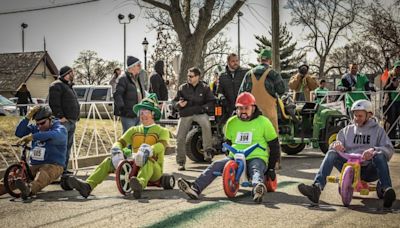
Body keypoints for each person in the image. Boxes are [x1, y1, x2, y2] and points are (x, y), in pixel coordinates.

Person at [177, 92, 280, 203]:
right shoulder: (232, 122)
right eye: (240, 108)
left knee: (256, 169)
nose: (243, 111)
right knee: (215, 165)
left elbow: (274, 146)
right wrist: (227, 154)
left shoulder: (263, 122)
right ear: (236, 109)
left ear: (253, 108)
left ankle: (257, 188)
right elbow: (229, 142)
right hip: (235, 156)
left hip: (256, 156)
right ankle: (195, 188)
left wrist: (271, 168)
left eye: (246, 108)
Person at [66, 94, 170, 199]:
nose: (143, 115)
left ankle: (140, 185)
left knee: (149, 161)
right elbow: (121, 142)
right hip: (135, 165)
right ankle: (88, 186)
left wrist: (150, 150)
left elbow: (161, 145)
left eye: (146, 112)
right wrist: (117, 149)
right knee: (108, 161)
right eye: (141, 112)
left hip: (154, 170)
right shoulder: (134, 130)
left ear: (153, 114)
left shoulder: (162, 131)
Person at [298, 99, 396, 208]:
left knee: (380, 155)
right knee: (331, 153)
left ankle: (387, 189)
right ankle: (316, 188)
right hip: (349, 166)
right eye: (355, 116)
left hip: (369, 169)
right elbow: (335, 144)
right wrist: (336, 145)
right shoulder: (346, 130)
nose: (357, 119)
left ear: (369, 115)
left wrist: (374, 150)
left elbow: (388, 149)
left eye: (360, 116)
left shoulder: (378, 130)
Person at [0, 105, 67, 199]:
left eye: (42, 123)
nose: (39, 127)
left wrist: (33, 137)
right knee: (12, 178)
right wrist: (27, 117)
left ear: (50, 119)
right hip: (34, 165)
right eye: (37, 124)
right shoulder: (36, 128)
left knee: (43, 173)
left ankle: (29, 189)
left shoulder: (60, 129)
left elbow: (55, 135)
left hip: (54, 165)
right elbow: (19, 133)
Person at [173, 67, 216, 170]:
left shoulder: (205, 88)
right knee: (180, 136)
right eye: (188, 76)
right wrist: (179, 104)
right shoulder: (182, 88)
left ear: (197, 77)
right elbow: (174, 103)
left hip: (199, 113)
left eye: (191, 76)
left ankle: (207, 152)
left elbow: (211, 101)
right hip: (186, 114)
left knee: (206, 124)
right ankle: (181, 161)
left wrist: (203, 109)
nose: (189, 78)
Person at [239, 48, 285, 134]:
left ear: (259, 59)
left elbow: (241, 95)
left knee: (252, 139)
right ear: (270, 61)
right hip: (269, 114)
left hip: (251, 114)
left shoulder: (249, 74)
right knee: (271, 140)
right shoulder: (274, 74)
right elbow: (281, 90)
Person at [49, 66, 80, 174]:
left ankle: (64, 170)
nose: (73, 74)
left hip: (71, 121)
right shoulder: (56, 85)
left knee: (67, 147)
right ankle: (56, 171)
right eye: (72, 72)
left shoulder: (68, 86)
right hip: (63, 122)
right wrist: (60, 116)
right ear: (67, 73)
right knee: (60, 147)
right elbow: (54, 103)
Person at [114, 56, 147, 133]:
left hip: (138, 114)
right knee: (128, 138)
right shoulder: (123, 78)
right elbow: (117, 95)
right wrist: (123, 109)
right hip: (128, 115)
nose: (140, 67)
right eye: (138, 65)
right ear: (132, 67)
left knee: (137, 138)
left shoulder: (138, 78)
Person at [217, 53, 249, 123]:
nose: (236, 63)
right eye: (233, 61)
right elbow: (219, 92)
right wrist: (222, 98)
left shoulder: (246, 73)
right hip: (228, 107)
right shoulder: (222, 76)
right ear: (228, 62)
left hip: (244, 106)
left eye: (237, 61)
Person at [383, 60, 400, 143]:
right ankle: (390, 141)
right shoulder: (390, 77)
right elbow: (385, 88)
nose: (398, 70)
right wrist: (392, 84)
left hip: (399, 102)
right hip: (392, 102)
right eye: (397, 68)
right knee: (391, 121)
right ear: (394, 68)